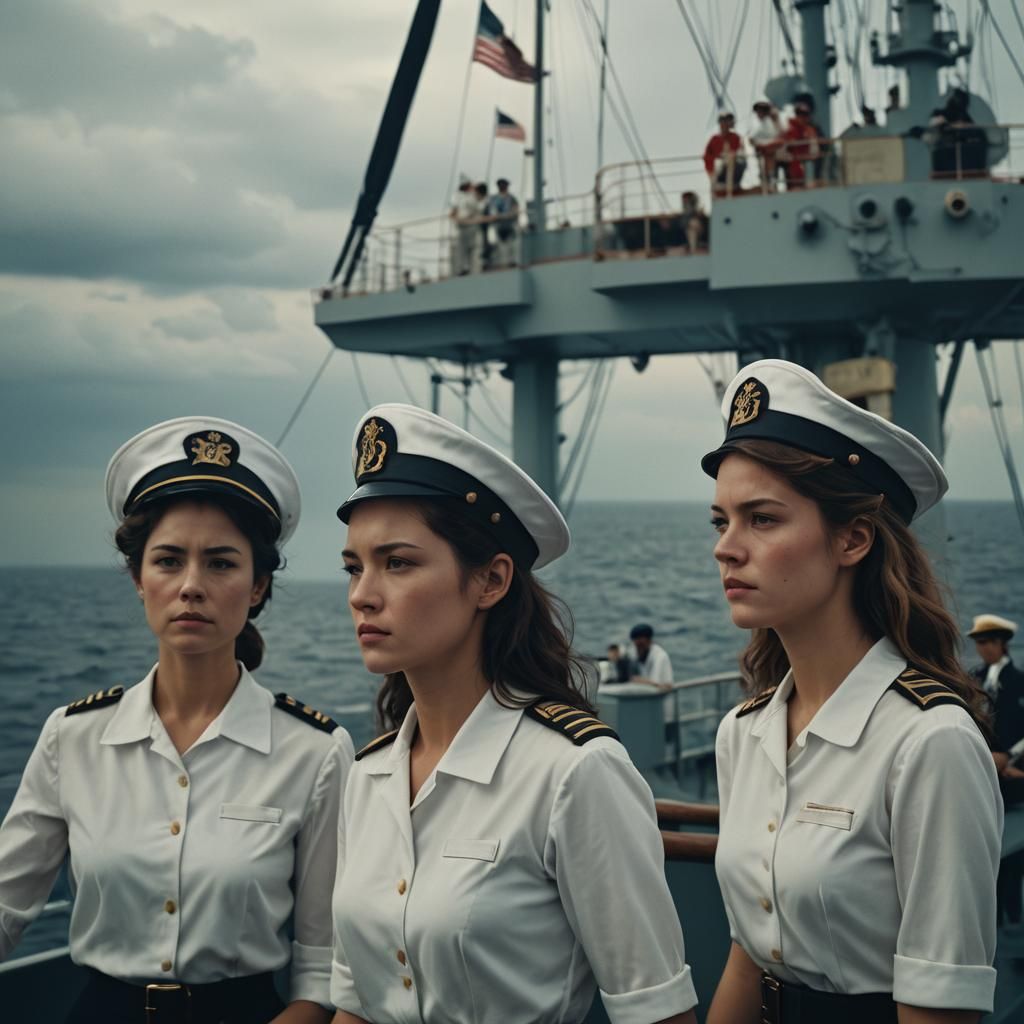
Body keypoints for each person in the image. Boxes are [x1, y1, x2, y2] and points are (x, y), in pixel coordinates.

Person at [330, 405, 699, 1024]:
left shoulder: (573, 773)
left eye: (398, 562)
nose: (363, 593)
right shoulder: (367, 778)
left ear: (491, 581)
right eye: (354, 566)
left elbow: (657, 1013)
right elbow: (357, 1005)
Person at [0, 417, 353, 1024]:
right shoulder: (73, 736)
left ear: (258, 585)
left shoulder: (315, 752)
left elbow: (324, 963)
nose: (192, 586)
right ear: (138, 579)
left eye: (220, 564)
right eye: (168, 561)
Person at [702, 361, 1002, 1024]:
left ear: (853, 538)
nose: (727, 548)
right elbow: (750, 958)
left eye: (762, 519)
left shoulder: (929, 742)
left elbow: (940, 1007)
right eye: (720, 521)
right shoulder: (743, 734)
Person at [968, 613, 1024, 928]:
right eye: (979, 643)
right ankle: (992, 918)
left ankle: (1013, 919)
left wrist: (1009, 757)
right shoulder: (973, 679)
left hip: (1010, 775)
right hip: (983, 771)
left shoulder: (1019, 682)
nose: (982, 649)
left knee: (1013, 855)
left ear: (1002, 644)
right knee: (987, 849)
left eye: (987, 642)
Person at [780, 100, 821, 189]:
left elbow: (815, 151)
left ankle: (809, 187)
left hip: (806, 160)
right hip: (792, 162)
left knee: (808, 165)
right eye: (799, 114)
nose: (802, 117)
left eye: (804, 114)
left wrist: (807, 156)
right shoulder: (789, 129)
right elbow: (784, 147)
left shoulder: (810, 131)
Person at [703, 112, 746, 195]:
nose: (726, 124)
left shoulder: (735, 137)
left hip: (733, 169)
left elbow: (740, 153)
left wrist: (730, 154)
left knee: (733, 159)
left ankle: (731, 188)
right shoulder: (714, 139)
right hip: (718, 171)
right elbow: (707, 157)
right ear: (720, 123)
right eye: (724, 121)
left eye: (728, 121)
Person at [749, 99, 783, 192]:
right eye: (758, 110)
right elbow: (753, 139)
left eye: (762, 110)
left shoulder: (770, 123)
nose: (759, 113)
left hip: (772, 154)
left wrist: (760, 144)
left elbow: (775, 137)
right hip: (763, 156)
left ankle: (771, 185)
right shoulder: (761, 125)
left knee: (770, 173)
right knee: (765, 174)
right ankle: (768, 185)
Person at [450, 176, 481, 275]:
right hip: (462, 226)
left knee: (473, 248)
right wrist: (457, 219)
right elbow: (453, 212)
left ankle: (473, 269)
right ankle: (463, 268)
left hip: (471, 225)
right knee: (462, 248)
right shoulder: (458, 197)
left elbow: (475, 210)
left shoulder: (472, 196)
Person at [487, 177, 520, 267]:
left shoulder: (511, 198)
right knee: (500, 246)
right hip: (498, 225)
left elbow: (515, 211)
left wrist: (507, 216)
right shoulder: (493, 199)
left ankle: (512, 261)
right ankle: (503, 263)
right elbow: (491, 212)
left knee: (512, 245)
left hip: (510, 224)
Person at [629, 623, 674, 687]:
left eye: (640, 643)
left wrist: (637, 680)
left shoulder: (660, 656)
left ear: (649, 640)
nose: (637, 646)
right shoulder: (634, 653)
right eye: (635, 642)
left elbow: (659, 684)